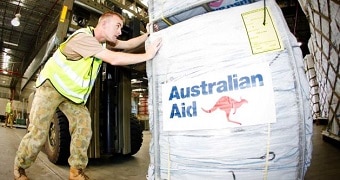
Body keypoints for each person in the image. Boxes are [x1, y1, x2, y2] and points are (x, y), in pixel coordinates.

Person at [13, 12, 162, 180]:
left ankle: (76, 172)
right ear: (104, 24)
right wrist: (147, 55)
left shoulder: (103, 43)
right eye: (117, 26)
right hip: (51, 86)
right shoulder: (83, 38)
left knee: (84, 129)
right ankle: (20, 168)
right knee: (38, 133)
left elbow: (126, 44)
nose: (120, 32)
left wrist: (149, 34)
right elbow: (113, 59)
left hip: (72, 95)